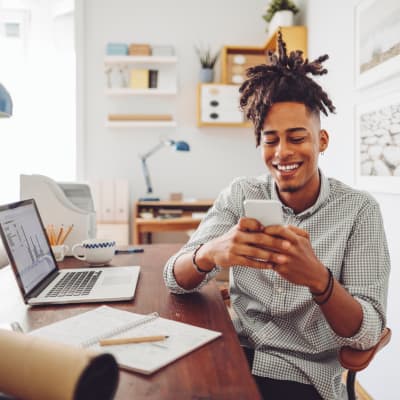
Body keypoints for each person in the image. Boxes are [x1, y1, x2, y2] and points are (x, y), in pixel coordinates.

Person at [163, 32, 390, 400]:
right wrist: (210, 253)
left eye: (297, 137)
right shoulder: (241, 195)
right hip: (235, 357)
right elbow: (172, 277)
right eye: (270, 139)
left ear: (322, 141)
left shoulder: (359, 212)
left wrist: (319, 281)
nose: (283, 152)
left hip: (305, 378)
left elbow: (367, 332)